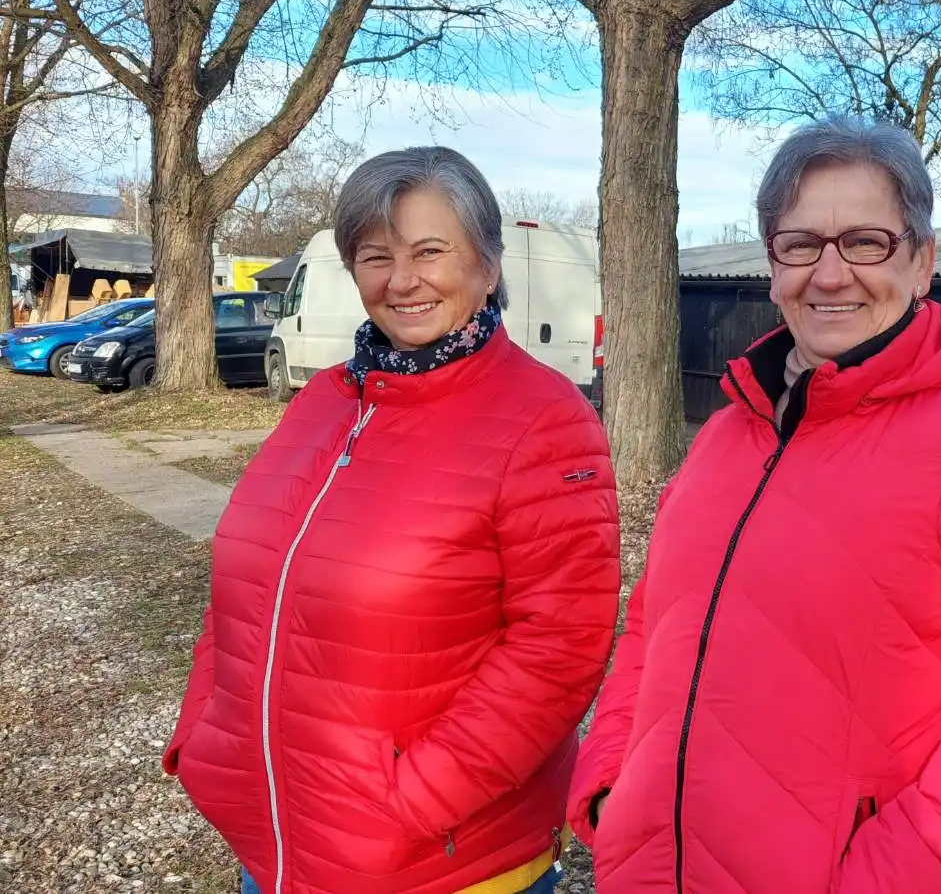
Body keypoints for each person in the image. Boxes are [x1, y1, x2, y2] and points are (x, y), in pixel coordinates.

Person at [568, 115, 941, 893]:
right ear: (773, 265)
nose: (829, 274)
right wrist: (614, 784)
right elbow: (655, 624)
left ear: (922, 262)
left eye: (865, 241)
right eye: (800, 244)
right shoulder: (727, 436)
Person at [160, 146, 621, 894]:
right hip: (280, 844)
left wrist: (412, 799)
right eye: (375, 255)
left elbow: (558, 649)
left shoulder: (543, 420)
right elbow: (245, 584)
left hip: (439, 861)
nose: (401, 279)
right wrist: (205, 732)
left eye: (429, 251)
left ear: (489, 264)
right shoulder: (326, 401)